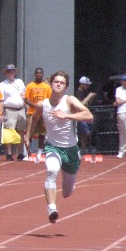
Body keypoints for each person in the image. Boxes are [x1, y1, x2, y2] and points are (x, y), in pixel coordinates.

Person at [24, 71, 93, 223]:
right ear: (51, 84)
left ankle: (65, 181)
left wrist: (67, 116)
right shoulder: (43, 104)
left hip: (71, 150)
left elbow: (89, 116)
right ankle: (52, 208)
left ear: (66, 87)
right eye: (56, 82)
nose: (58, 84)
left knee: (67, 192)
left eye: (62, 83)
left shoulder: (70, 101)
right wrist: (27, 136)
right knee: (51, 171)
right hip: (52, 147)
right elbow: (33, 118)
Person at [0, 64, 26, 161]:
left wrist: (26, 108)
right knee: (9, 131)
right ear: (6, 73)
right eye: (8, 71)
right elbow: (1, 100)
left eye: (12, 71)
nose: (10, 73)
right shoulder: (3, 84)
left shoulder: (20, 82)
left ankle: (20, 153)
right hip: (9, 109)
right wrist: (1, 113)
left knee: (21, 131)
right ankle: (9, 153)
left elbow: (24, 95)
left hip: (21, 109)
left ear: (15, 72)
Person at [24, 67, 52, 162]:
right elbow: (25, 99)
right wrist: (35, 105)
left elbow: (50, 100)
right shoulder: (30, 86)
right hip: (32, 112)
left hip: (43, 113)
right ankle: (28, 153)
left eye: (40, 73)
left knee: (42, 133)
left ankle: (39, 153)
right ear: (35, 74)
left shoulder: (47, 87)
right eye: (37, 73)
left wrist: (43, 107)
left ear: (42, 74)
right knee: (29, 133)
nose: (38, 75)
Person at [74, 76, 97, 154]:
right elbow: (81, 104)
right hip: (81, 115)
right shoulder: (78, 92)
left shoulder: (84, 92)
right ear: (82, 84)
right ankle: (83, 149)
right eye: (86, 85)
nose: (88, 86)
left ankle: (84, 150)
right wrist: (89, 96)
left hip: (85, 114)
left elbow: (87, 103)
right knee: (85, 133)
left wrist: (91, 98)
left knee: (87, 133)